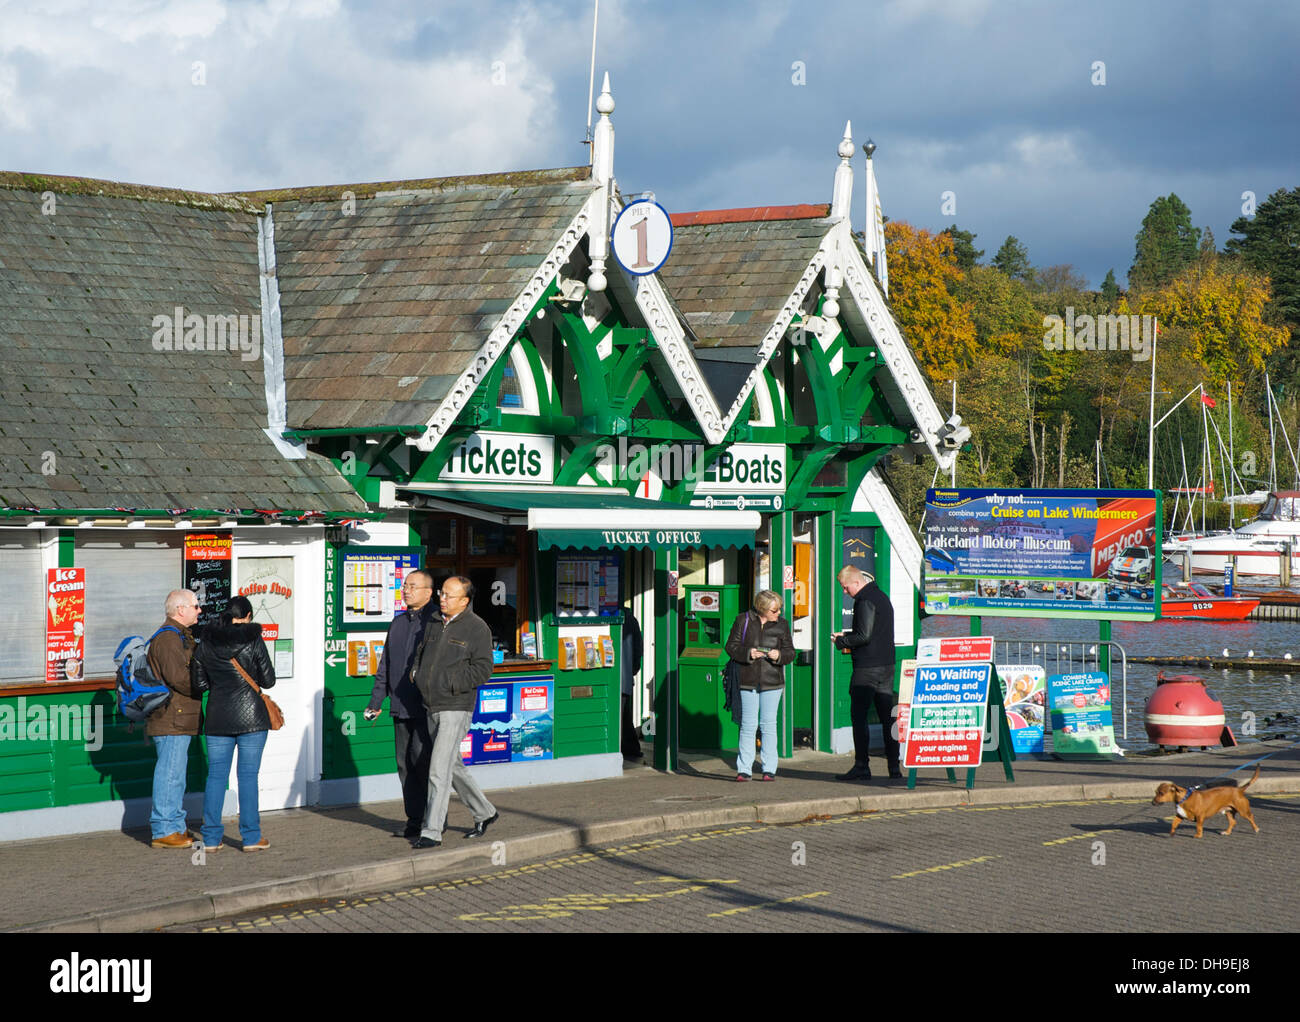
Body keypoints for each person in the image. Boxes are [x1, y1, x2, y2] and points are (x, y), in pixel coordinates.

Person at [409, 576, 499, 849]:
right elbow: (422, 653)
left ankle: (432, 832)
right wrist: (416, 673)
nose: (442, 598)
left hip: (455, 707)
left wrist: (451, 684)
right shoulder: (435, 621)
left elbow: (483, 669)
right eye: (441, 593)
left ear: (465, 600)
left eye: (448, 595)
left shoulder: (477, 628)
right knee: (453, 766)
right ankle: (485, 812)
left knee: (438, 770)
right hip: (430, 704)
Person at [190, 595, 277, 852]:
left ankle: (211, 839)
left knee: (216, 776)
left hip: (218, 717)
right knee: (248, 777)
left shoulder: (206, 642)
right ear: (248, 616)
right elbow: (269, 680)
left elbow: (200, 684)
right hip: (252, 718)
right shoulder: (253, 640)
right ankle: (251, 837)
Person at [364, 569, 438, 839]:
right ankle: (414, 820)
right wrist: (376, 701)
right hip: (400, 706)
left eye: (412, 586)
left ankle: (433, 820)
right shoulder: (398, 623)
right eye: (405, 585)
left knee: (424, 764)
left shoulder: (436, 622)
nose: (406, 590)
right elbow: (386, 665)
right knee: (404, 764)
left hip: (426, 707)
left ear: (429, 592)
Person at [833, 565, 901, 781]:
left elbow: (864, 636)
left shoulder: (865, 600)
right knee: (887, 717)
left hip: (867, 668)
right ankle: (894, 767)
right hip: (887, 665)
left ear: (855, 582)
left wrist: (841, 640)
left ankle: (862, 766)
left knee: (859, 716)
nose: (845, 592)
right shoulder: (881, 596)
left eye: (845, 588)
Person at [146, 590, 203, 848]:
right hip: (172, 717)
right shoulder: (169, 639)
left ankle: (175, 826)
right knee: (170, 773)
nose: (199, 610)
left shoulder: (178, 635)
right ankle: (164, 829)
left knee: (176, 774)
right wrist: (206, 683)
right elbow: (179, 678)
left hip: (177, 716)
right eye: (195, 606)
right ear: (180, 610)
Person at [725, 590, 796, 782]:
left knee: (768, 725)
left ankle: (769, 769)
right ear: (762, 609)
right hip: (747, 680)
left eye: (779, 609)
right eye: (774, 610)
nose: (778, 613)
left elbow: (790, 652)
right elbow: (731, 646)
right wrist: (749, 653)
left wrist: (778, 656)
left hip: (772, 681)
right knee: (748, 725)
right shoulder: (743, 620)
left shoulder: (782, 625)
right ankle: (744, 769)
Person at [620, 610, 644, 761]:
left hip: (621, 676)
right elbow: (638, 648)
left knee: (621, 716)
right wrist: (632, 670)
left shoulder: (618, 617)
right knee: (624, 715)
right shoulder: (630, 618)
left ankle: (628, 748)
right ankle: (632, 748)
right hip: (625, 677)